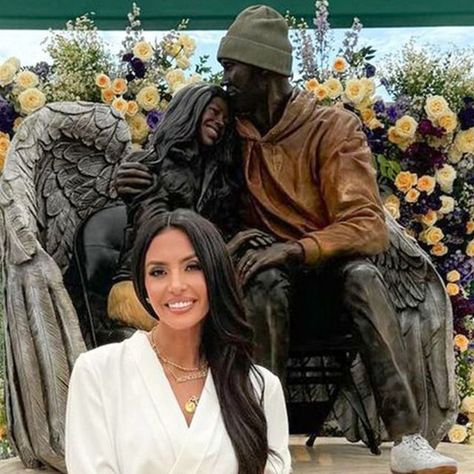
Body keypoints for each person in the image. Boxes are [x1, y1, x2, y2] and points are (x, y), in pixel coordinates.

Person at [216, 5, 458, 474]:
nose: (225, 78)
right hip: (263, 293)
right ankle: (264, 445)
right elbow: (179, 166)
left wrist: (292, 248)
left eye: (232, 67)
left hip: (328, 287)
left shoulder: (332, 128)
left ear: (264, 70)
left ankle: (408, 441)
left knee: (363, 276)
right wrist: (142, 174)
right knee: (265, 281)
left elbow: (366, 225)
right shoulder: (230, 133)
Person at [65, 209, 291, 474]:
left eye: (192, 267)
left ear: (215, 276)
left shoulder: (260, 387)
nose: (176, 285)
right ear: (143, 286)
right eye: (158, 272)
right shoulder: (97, 373)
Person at [109, 82, 243, 331]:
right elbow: (158, 231)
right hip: (141, 286)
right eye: (213, 112)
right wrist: (229, 246)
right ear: (191, 110)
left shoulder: (220, 181)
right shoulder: (148, 164)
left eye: (225, 118)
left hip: (195, 286)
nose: (220, 121)